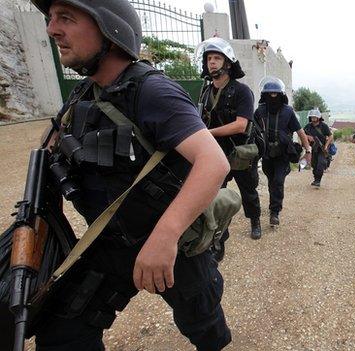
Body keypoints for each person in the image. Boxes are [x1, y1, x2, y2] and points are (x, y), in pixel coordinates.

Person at [30, 0, 232, 349]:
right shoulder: (83, 93)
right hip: (109, 242)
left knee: (204, 325)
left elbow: (213, 163)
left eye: (66, 18)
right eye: (51, 19)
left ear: (109, 28)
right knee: (62, 331)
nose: (52, 30)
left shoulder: (152, 91)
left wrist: (165, 236)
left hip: (171, 246)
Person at [196, 37, 262, 249]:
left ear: (227, 63)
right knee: (213, 195)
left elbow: (241, 125)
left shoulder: (242, 91)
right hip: (216, 153)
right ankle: (218, 237)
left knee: (248, 191)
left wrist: (207, 133)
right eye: (208, 58)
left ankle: (255, 221)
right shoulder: (206, 92)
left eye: (217, 58)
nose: (212, 62)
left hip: (240, 152)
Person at [255, 76, 312, 232]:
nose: (272, 96)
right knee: (272, 181)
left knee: (278, 181)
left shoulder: (288, 111)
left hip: (282, 154)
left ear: (281, 95)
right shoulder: (260, 111)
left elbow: (300, 131)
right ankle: (274, 203)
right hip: (266, 154)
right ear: (264, 95)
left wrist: (308, 150)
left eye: (275, 94)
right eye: (269, 94)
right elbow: (251, 131)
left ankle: (275, 212)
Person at [303, 109, 333, 187]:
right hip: (313, 149)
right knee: (314, 164)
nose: (313, 118)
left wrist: (326, 146)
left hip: (322, 148)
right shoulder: (308, 126)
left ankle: (318, 180)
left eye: (315, 117)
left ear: (318, 117)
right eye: (312, 117)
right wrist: (308, 136)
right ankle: (316, 179)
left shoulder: (324, 126)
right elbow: (302, 134)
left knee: (321, 164)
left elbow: (330, 136)